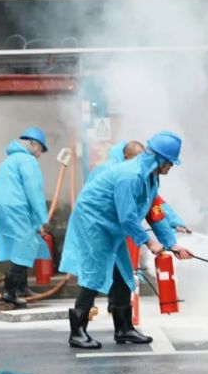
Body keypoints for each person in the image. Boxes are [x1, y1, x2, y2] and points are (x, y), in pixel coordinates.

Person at [61, 131, 194, 349]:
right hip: (94, 221)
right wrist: (149, 242)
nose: (171, 167)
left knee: (123, 272)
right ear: (159, 159)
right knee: (95, 272)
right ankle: (77, 332)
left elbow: (154, 211)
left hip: (112, 225)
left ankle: (124, 329)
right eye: (170, 162)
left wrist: (172, 244)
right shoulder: (130, 176)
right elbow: (127, 216)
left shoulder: (150, 177)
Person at [0, 127, 51, 307]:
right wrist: (43, 219)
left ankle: (21, 287)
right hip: (15, 206)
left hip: (2, 206)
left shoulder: (10, 160)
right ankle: (10, 290)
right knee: (24, 243)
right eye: (40, 149)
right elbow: (34, 191)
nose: (40, 154)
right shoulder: (27, 160)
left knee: (22, 243)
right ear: (33, 144)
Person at [90, 140, 191, 233]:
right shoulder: (110, 172)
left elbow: (153, 202)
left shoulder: (140, 175)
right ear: (126, 157)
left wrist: (174, 222)